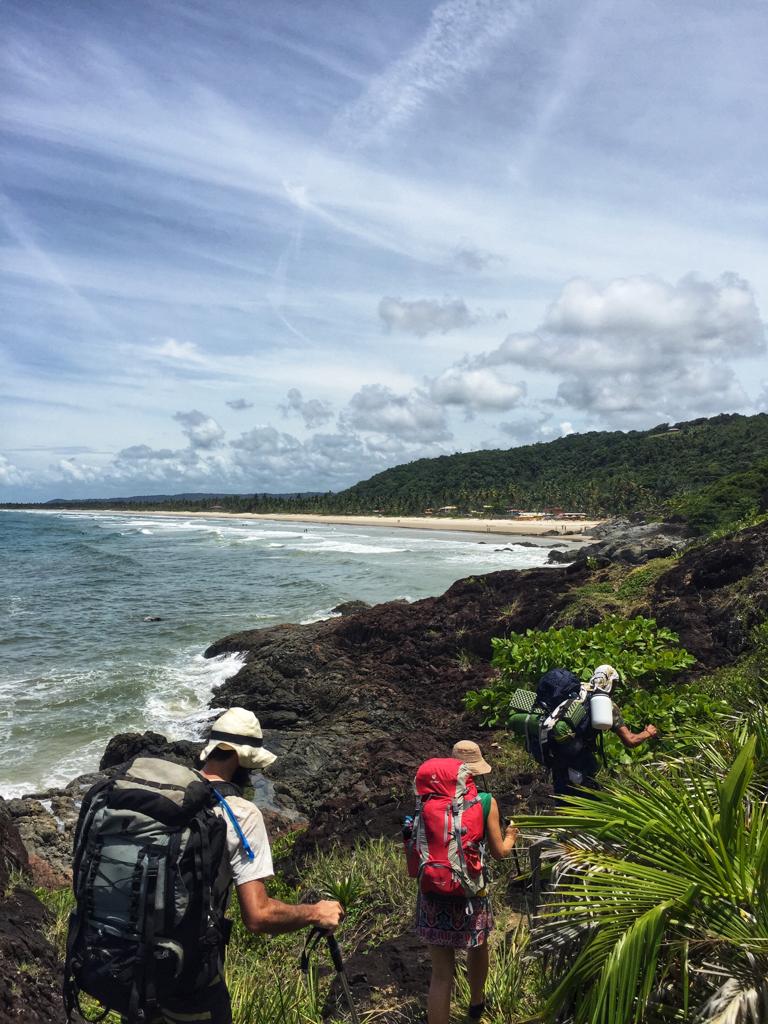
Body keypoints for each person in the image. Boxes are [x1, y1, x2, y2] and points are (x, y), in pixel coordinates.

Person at [109, 708, 343, 1024]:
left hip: (129, 973)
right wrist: (316, 912)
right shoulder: (241, 813)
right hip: (190, 982)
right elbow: (258, 916)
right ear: (238, 759)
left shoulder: (164, 797)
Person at [416, 740, 518, 1024]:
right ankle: (476, 1003)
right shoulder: (485, 801)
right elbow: (499, 853)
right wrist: (512, 836)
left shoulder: (427, 799)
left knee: (440, 974)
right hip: (471, 893)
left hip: (433, 891)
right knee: (478, 946)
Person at [550, 665, 658, 797]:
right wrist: (648, 733)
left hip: (556, 751)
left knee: (560, 793)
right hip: (578, 757)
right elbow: (630, 741)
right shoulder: (607, 706)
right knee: (585, 794)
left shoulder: (578, 690)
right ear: (611, 683)